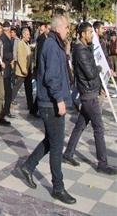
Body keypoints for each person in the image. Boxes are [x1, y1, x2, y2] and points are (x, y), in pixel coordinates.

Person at [19, 14, 76, 204]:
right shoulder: (52, 45)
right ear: (58, 27)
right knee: (57, 146)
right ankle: (58, 188)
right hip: (50, 103)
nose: (69, 30)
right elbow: (51, 77)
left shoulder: (56, 44)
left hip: (51, 102)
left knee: (51, 141)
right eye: (67, 27)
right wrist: (59, 100)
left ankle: (28, 166)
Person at [63, 22, 117, 175]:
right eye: (89, 32)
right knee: (99, 128)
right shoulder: (80, 50)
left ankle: (68, 154)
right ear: (81, 34)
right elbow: (90, 73)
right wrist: (99, 68)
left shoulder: (85, 48)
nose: (91, 35)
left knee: (80, 125)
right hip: (89, 94)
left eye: (92, 32)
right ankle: (102, 163)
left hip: (90, 92)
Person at [11, 28, 35, 114]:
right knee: (16, 87)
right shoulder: (21, 44)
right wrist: (24, 70)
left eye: (29, 34)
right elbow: (20, 58)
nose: (29, 36)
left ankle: (31, 106)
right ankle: (9, 101)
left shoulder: (27, 44)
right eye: (28, 34)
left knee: (29, 89)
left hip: (27, 70)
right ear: (24, 35)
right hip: (23, 71)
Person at [0, 21, 15, 117]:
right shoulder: (3, 39)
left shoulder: (7, 38)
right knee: (7, 92)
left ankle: (6, 109)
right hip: (5, 69)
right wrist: (12, 57)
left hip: (8, 69)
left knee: (6, 91)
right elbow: (4, 53)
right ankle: (6, 110)